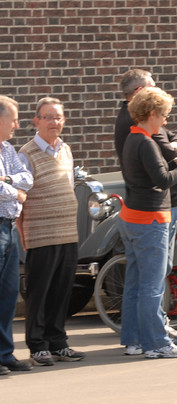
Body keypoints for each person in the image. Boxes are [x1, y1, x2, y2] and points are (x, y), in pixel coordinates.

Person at [120, 87, 177, 358]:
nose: (166, 120)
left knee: (136, 283)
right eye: (164, 115)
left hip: (134, 218)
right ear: (152, 113)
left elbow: (155, 169)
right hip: (151, 219)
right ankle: (156, 343)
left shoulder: (135, 138)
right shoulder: (146, 142)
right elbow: (164, 180)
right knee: (152, 286)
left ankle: (133, 339)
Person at [17, 97, 85, 366]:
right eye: (48, 117)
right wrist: (24, 234)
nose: (54, 122)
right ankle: (37, 346)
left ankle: (58, 343)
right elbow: (22, 196)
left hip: (68, 232)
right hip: (41, 233)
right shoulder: (26, 153)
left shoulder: (66, 150)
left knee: (62, 291)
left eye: (58, 117)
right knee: (39, 292)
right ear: (37, 121)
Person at [0, 95, 33, 374]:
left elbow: (27, 178)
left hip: (8, 226)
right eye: (14, 118)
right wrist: (17, 193)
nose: (17, 124)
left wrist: (8, 180)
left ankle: (5, 353)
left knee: (8, 293)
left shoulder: (8, 150)